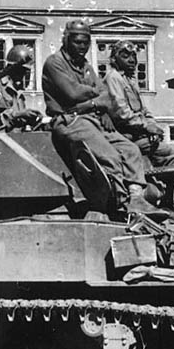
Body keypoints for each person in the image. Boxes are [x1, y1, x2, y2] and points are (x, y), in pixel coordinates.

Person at [41, 19, 152, 219]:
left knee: (131, 150)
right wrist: (96, 99)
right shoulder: (54, 62)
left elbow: (107, 95)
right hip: (70, 121)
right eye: (77, 42)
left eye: (86, 42)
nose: (82, 47)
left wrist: (99, 106)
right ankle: (117, 206)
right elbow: (72, 93)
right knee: (109, 156)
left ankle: (136, 200)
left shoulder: (85, 66)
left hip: (91, 118)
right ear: (66, 40)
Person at [102, 40, 174, 205]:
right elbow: (121, 113)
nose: (132, 60)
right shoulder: (113, 78)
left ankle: (167, 202)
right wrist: (146, 127)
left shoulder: (130, 81)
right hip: (124, 136)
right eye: (125, 56)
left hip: (140, 135)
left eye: (134, 56)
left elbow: (144, 111)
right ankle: (145, 196)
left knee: (171, 155)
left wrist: (152, 126)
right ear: (115, 60)